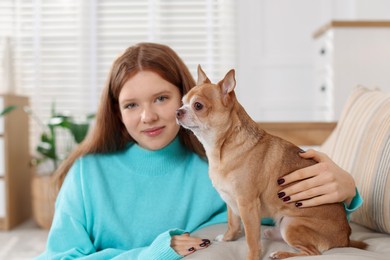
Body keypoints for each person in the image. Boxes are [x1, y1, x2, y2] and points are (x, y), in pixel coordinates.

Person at [37, 42, 362, 259]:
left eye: (161, 99)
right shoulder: (87, 173)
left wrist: (347, 193)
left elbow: (286, 211)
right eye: (131, 104)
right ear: (117, 112)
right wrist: (150, 253)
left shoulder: (220, 169)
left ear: (185, 96)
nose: (147, 116)